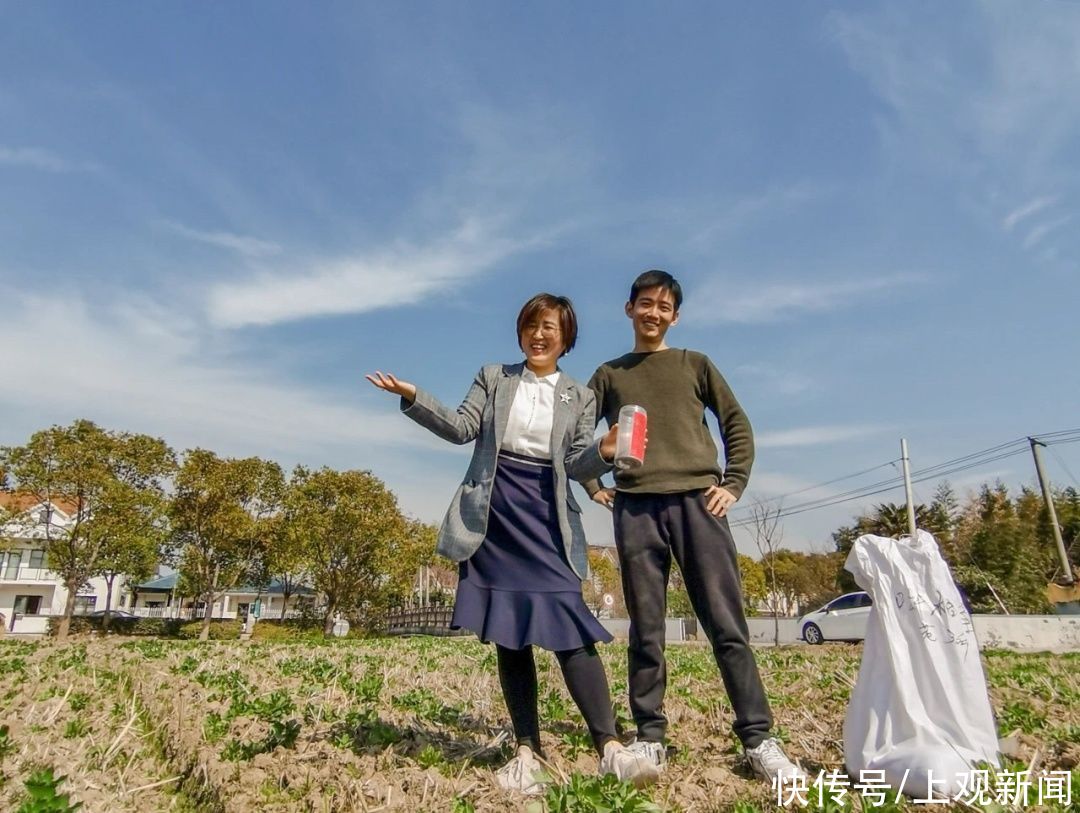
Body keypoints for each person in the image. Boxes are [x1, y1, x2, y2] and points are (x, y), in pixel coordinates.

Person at [366, 293, 656, 794]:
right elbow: (461, 428)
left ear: (566, 338)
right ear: (521, 331)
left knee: (570, 628)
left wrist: (605, 452)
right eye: (531, 325)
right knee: (509, 633)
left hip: (547, 517)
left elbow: (575, 464)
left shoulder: (579, 396)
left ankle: (609, 747)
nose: (539, 335)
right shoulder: (493, 377)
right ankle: (527, 751)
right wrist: (414, 397)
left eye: (550, 327)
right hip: (495, 516)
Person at [584, 270, 805, 784]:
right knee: (647, 628)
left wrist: (734, 482)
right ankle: (650, 739)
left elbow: (736, 423)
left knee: (727, 626)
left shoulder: (695, 364)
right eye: (645, 304)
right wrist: (594, 485)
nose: (653, 313)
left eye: (664, 306)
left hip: (699, 506)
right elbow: (577, 436)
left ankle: (758, 739)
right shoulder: (609, 374)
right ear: (629, 309)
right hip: (636, 508)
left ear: (675, 316)